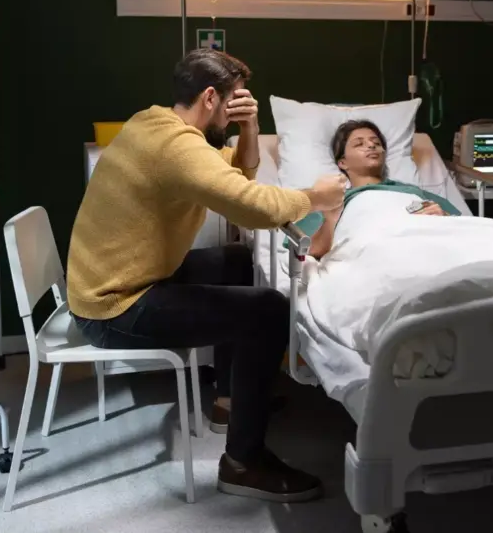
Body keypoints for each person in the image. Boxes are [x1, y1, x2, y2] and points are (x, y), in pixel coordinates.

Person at [65, 49, 347, 503]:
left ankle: (228, 401)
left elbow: (238, 170)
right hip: (115, 306)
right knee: (268, 312)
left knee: (237, 262)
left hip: (128, 280)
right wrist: (317, 196)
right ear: (212, 97)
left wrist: (250, 128)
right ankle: (243, 462)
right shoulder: (178, 148)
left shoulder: (153, 122)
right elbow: (251, 205)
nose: (239, 106)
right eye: (235, 100)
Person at [307, 119, 462, 258]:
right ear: (342, 163)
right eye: (359, 144)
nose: (371, 145)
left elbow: (464, 228)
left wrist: (444, 216)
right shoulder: (330, 200)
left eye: (377, 143)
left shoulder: (414, 192)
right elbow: (309, 251)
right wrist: (330, 220)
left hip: (428, 247)